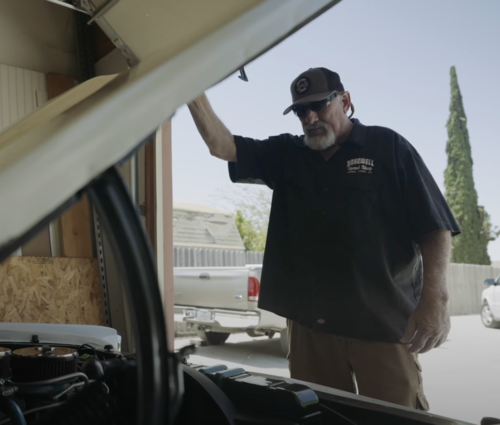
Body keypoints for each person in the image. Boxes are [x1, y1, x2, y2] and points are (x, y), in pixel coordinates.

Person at [186, 67, 461, 410]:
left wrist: (436, 300)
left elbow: (435, 226)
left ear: (345, 101)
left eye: (319, 105)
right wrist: (191, 91)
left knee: (396, 416)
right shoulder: (287, 154)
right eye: (301, 110)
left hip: (382, 322)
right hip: (310, 330)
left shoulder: (388, 146)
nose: (310, 117)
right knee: (318, 414)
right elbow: (221, 146)